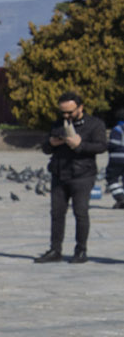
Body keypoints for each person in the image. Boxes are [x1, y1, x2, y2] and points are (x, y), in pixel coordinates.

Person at [38, 92, 105, 263]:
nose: (66, 116)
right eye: (63, 112)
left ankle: (81, 250)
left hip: (82, 174)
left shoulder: (94, 124)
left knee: (80, 212)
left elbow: (101, 146)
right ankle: (55, 250)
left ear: (80, 107)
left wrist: (80, 145)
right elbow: (45, 147)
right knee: (57, 213)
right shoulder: (58, 124)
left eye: (70, 112)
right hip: (60, 173)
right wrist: (51, 144)